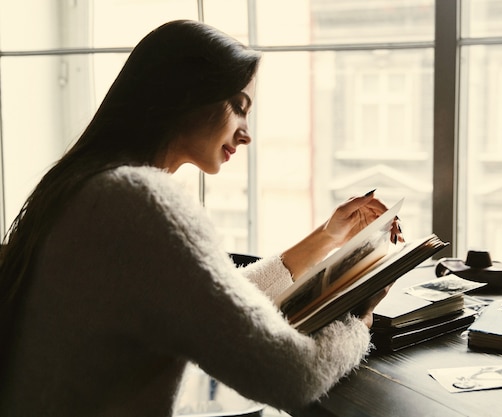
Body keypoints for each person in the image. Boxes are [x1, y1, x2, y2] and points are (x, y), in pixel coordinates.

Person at [0, 20, 402, 416]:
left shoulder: (90, 187)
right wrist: (358, 317)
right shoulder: (140, 202)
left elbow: (211, 302)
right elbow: (292, 377)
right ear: (186, 94)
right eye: (239, 108)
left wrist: (328, 238)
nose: (246, 134)